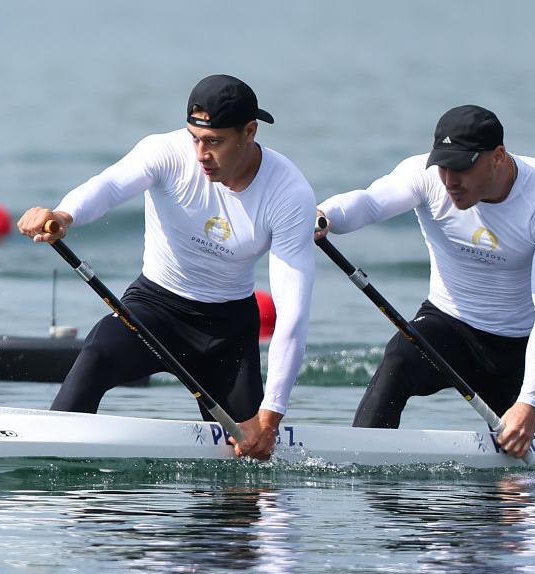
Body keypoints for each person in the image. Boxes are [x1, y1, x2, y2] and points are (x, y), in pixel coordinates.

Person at [18, 74, 316, 461]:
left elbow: (292, 313)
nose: (200, 154)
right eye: (194, 137)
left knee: (249, 466)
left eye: (214, 141)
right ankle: (51, 473)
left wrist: (270, 419)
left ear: (249, 132)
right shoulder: (166, 152)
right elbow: (109, 185)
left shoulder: (289, 194)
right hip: (153, 311)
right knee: (97, 354)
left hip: (227, 332)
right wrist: (63, 214)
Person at [315, 105, 535, 458]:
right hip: (446, 324)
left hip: (515, 346)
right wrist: (324, 214)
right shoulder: (425, 175)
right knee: (398, 358)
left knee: (526, 495)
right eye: (443, 166)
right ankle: (361, 471)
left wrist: (528, 404)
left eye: (462, 167)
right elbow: (371, 202)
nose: (450, 180)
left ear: (498, 157)